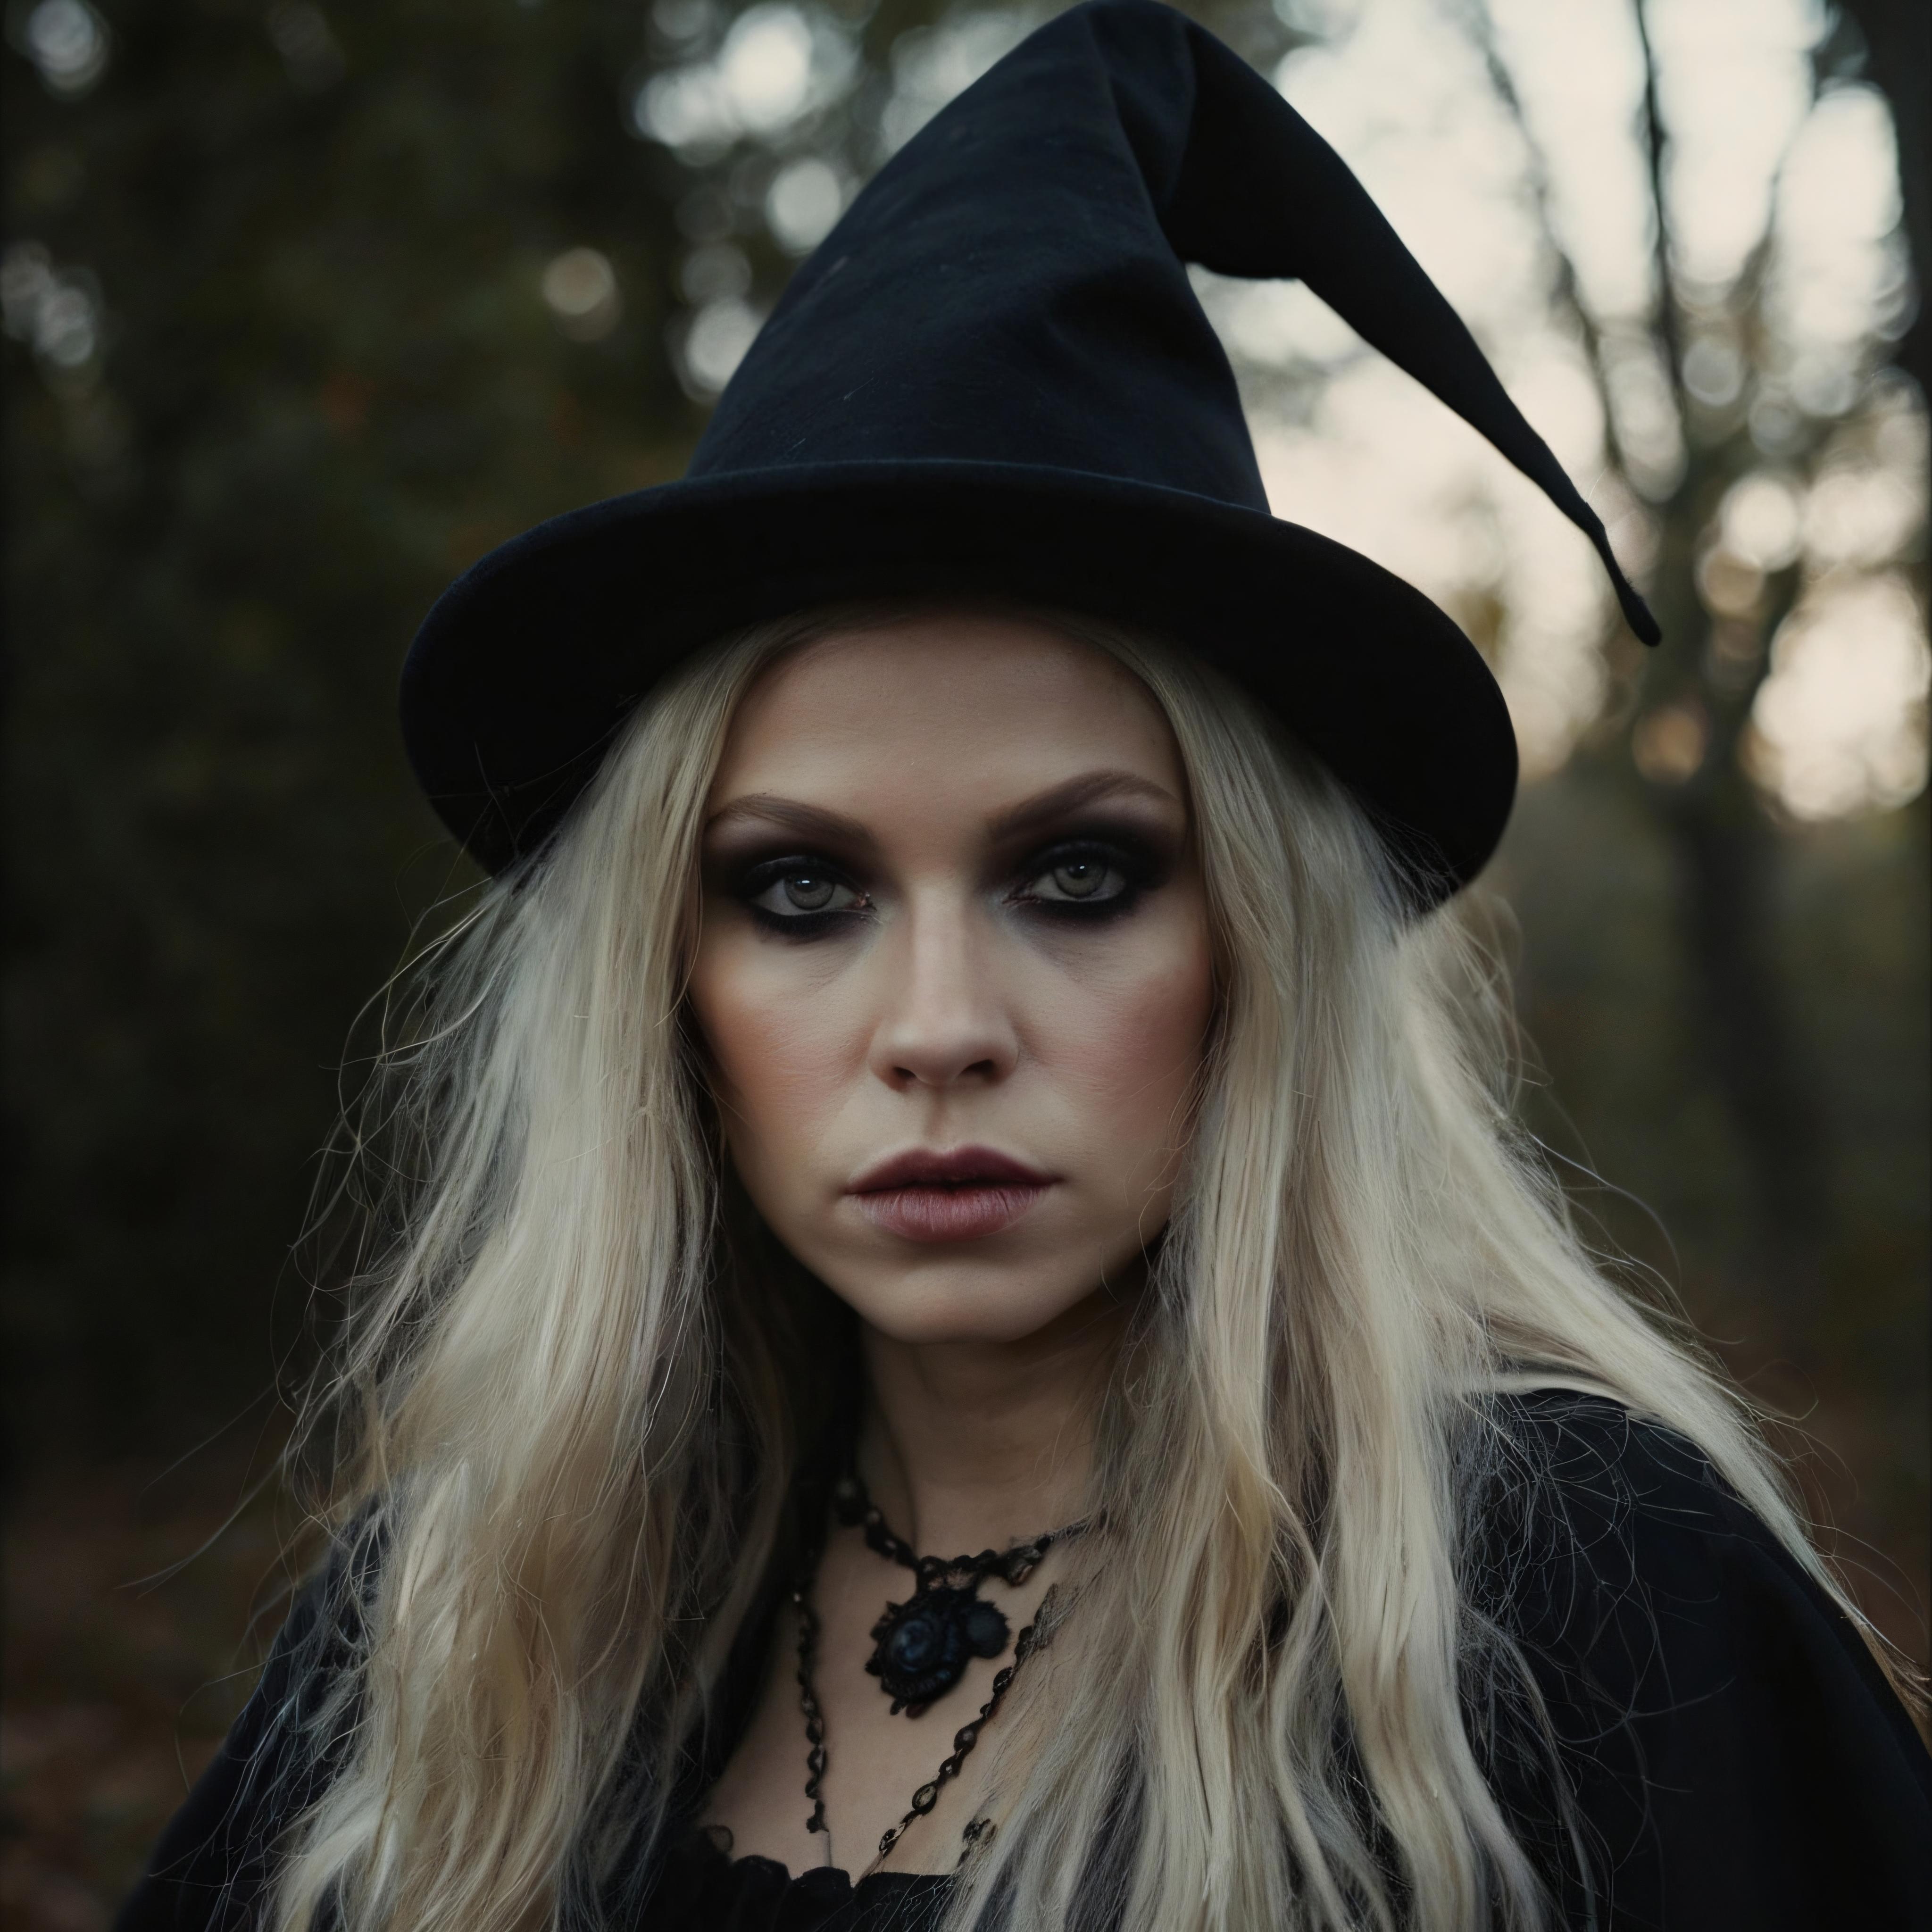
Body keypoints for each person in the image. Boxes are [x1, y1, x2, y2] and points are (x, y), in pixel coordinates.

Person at [119, 5, 1930, 1930]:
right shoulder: (476, 1616)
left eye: (1077, 875)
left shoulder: (1586, 1605)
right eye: (801, 892)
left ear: (1258, 946)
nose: (940, 1031)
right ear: (664, 980)